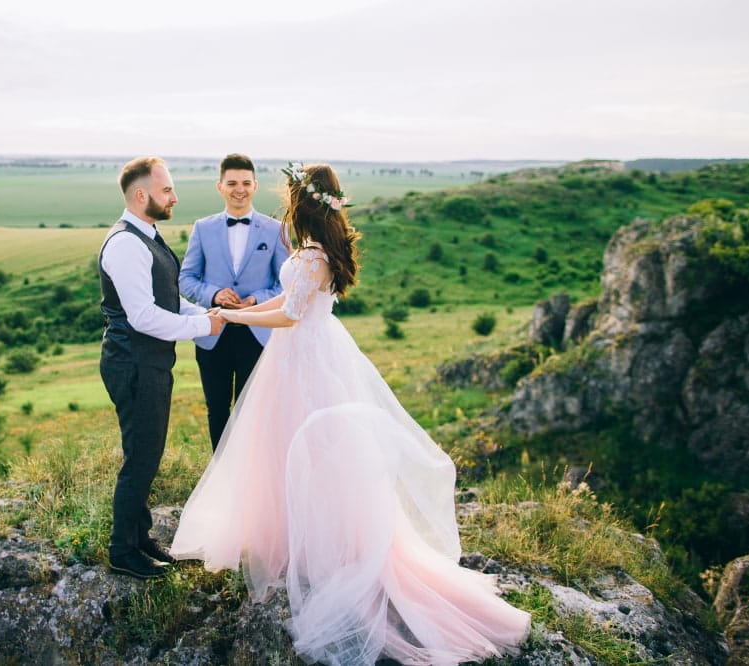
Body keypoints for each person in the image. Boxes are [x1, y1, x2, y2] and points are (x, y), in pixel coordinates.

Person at [170, 163, 531, 664]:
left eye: (291, 197)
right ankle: (289, 536)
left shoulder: (314, 256)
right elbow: (281, 300)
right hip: (298, 355)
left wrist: (233, 315)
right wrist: (233, 313)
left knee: (313, 453)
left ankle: (329, 547)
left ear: (304, 204)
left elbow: (290, 315)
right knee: (283, 450)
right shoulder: (312, 252)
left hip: (306, 360)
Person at [98, 156, 224, 580]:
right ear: (141, 195)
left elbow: (167, 301)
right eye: (166, 189)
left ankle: (140, 537)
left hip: (148, 362)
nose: (174, 196)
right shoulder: (125, 244)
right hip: (133, 363)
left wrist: (208, 312)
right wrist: (201, 326)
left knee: (147, 452)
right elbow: (143, 317)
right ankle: (121, 550)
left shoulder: (147, 236)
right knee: (141, 456)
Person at [179, 153, 289, 450]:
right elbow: (186, 278)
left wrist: (257, 299)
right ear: (220, 187)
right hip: (213, 332)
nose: (238, 189)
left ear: (255, 186)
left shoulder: (275, 229)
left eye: (245, 183)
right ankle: (220, 475)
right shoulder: (203, 228)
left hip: (258, 333)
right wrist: (214, 294)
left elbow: (285, 284)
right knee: (217, 410)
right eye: (232, 183)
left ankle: (249, 478)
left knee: (251, 411)